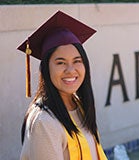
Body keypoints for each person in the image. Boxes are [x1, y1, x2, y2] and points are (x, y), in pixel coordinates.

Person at [17, 11, 108, 160]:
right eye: (60, 62)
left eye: (77, 61)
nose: (71, 70)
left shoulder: (78, 105)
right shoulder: (44, 123)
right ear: (46, 68)